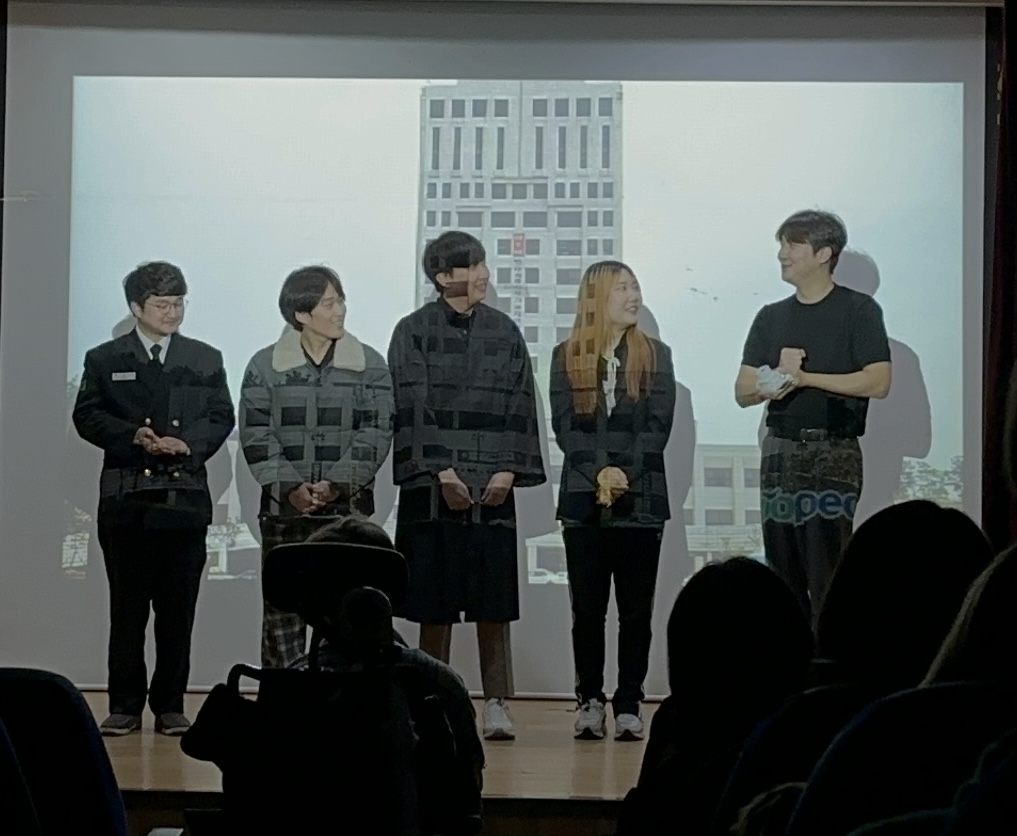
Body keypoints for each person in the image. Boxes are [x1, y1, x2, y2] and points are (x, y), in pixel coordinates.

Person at [387, 230, 546, 741]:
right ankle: (432, 701)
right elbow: (411, 404)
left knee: (492, 600)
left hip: (493, 482)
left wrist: (508, 470)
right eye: (472, 266)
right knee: (433, 602)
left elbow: (522, 403)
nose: (483, 274)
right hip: (434, 485)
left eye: (482, 264)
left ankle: (497, 702)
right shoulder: (412, 331)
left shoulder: (505, 330)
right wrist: (442, 472)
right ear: (443, 277)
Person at [72, 261, 235, 736]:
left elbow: (221, 415)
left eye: (178, 303)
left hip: (184, 499)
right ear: (136, 307)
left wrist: (189, 444)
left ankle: (170, 705)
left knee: (177, 611)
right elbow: (87, 415)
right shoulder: (104, 358)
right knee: (127, 611)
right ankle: (124, 704)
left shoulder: (204, 357)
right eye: (162, 304)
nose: (172, 312)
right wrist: (134, 435)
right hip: (127, 501)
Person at [735, 210, 892, 623]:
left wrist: (805, 379)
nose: (782, 254)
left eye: (793, 245)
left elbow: (878, 381)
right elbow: (743, 390)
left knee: (828, 572)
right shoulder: (771, 316)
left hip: (832, 450)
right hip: (779, 451)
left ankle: (829, 657)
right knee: (782, 574)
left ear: (824, 253)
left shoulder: (859, 310)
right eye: (782, 245)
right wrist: (774, 382)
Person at [239, 265, 393, 669]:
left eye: (340, 300)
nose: (340, 310)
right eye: (329, 303)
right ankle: (283, 700)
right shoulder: (264, 366)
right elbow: (256, 433)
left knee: (351, 617)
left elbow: (377, 432)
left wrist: (336, 484)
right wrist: (291, 488)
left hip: (348, 516)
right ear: (302, 314)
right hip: (284, 514)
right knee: (282, 621)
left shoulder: (370, 364)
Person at [549, 261, 676, 741]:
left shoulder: (657, 355)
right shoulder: (566, 356)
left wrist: (623, 472)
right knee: (587, 611)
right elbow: (565, 425)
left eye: (635, 287)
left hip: (641, 501)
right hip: (583, 501)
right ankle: (589, 701)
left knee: (636, 611)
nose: (633, 296)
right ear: (596, 298)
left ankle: (628, 703)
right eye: (622, 288)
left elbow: (658, 425)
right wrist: (600, 470)